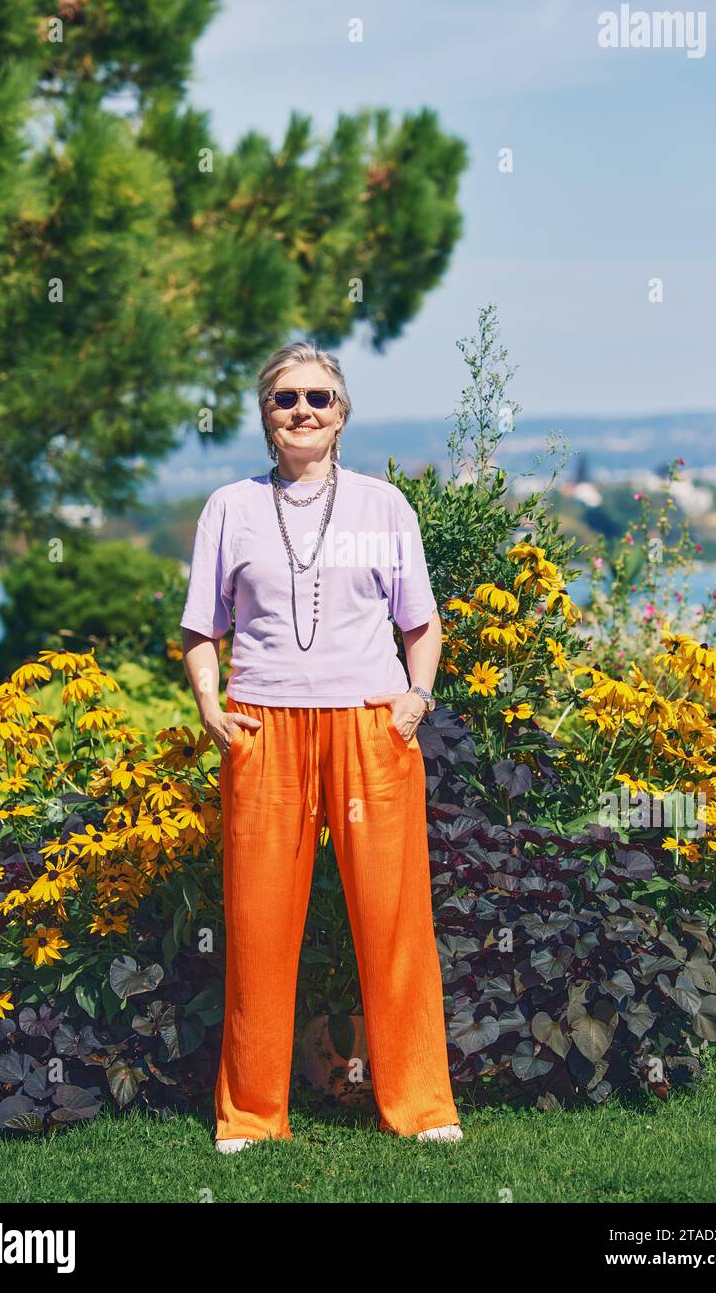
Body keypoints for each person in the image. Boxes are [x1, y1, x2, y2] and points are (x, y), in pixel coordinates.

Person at [180, 341, 462, 1152]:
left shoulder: (384, 507)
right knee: (260, 923)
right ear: (265, 417)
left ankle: (421, 1106)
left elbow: (422, 622)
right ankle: (251, 1113)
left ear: (343, 416)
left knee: (394, 917)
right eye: (284, 399)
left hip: (372, 727)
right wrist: (209, 706)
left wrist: (415, 700)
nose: (302, 411)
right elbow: (202, 629)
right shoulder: (229, 508)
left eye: (319, 399)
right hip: (264, 727)